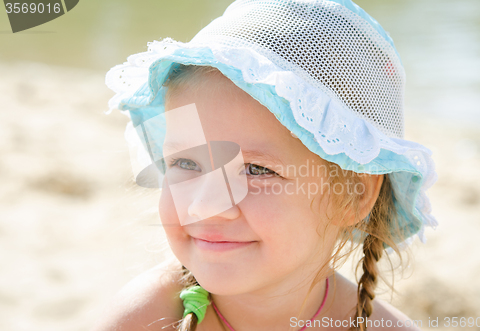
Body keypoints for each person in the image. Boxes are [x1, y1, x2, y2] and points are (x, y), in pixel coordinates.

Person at [94, 0, 438, 330]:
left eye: (257, 170)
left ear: (356, 195)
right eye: (186, 162)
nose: (207, 205)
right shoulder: (139, 322)